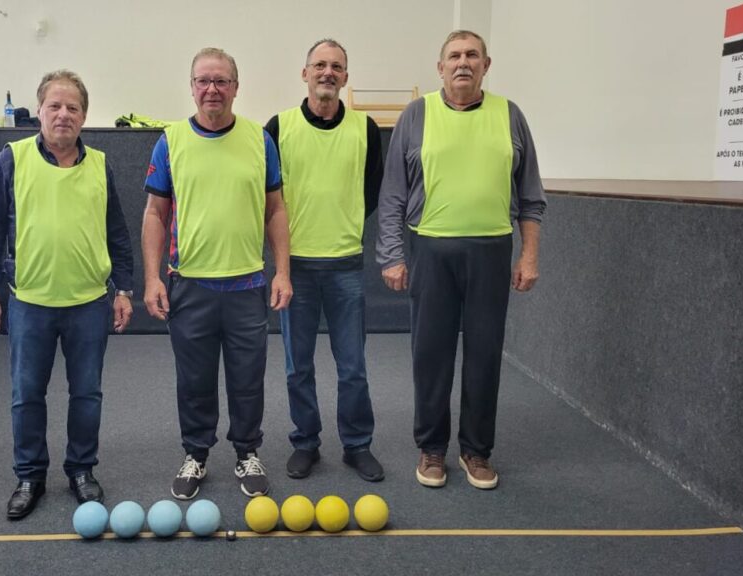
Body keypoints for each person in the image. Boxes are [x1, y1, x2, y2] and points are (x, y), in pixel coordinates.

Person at [376, 30, 546, 490]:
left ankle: (476, 450)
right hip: (431, 250)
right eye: (454, 56)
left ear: (486, 65)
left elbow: (531, 197)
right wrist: (392, 254)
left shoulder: (509, 116)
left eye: (472, 55)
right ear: (440, 67)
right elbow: (392, 194)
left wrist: (528, 256)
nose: (463, 63)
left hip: (492, 251)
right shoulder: (417, 115)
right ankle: (432, 449)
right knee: (430, 354)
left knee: (485, 355)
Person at [0, 69, 134, 519]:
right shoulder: (11, 159)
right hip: (31, 302)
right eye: (54, 106)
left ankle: (81, 469)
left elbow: (117, 233)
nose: (64, 114)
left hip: (88, 302)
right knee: (27, 393)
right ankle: (30, 476)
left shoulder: (100, 165)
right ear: (38, 111)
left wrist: (124, 289)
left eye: (73, 107)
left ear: (84, 115)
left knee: (87, 392)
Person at [142, 47, 292, 500]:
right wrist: (152, 278)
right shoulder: (170, 141)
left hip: (247, 286)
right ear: (192, 87)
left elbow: (276, 209)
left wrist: (282, 271)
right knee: (195, 381)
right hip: (190, 286)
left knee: (248, 379)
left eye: (222, 81)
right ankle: (197, 454)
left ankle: (247, 452)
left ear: (235, 87)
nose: (212, 89)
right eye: (204, 81)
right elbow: (155, 212)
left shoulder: (259, 140)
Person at [264, 39, 384, 482]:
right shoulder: (278, 127)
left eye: (336, 66)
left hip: (345, 266)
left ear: (346, 77)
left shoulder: (365, 129)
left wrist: (343, 223)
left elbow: (371, 192)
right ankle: (306, 442)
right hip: (294, 266)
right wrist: (282, 264)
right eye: (319, 65)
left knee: (353, 366)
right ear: (305, 73)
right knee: (299, 365)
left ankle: (357, 445)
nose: (327, 72)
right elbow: (267, 195)